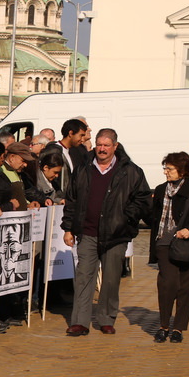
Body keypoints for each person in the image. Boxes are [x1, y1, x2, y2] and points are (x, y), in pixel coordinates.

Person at [62, 129, 152, 336]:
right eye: (99, 144)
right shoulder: (83, 168)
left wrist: (127, 216)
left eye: (106, 145)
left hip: (116, 235)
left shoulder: (130, 171)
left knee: (111, 279)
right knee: (84, 277)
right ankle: (80, 322)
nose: (102, 149)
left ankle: (106, 318)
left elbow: (143, 199)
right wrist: (68, 228)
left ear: (115, 146)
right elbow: (72, 200)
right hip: (87, 232)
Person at [150, 152, 189, 343]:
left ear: (183, 170)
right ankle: (163, 326)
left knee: (186, 288)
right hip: (164, 243)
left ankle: (178, 328)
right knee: (168, 284)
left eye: (169, 169)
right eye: (165, 168)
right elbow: (153, 215)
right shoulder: (161, 189)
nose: (166, 172)